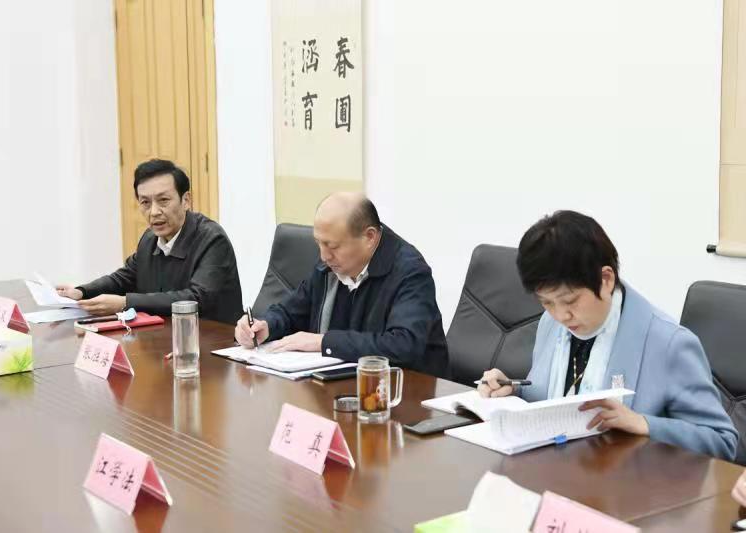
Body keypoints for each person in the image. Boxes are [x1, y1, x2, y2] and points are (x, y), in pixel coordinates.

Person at [479, 210, 737, 461]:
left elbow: (722, 442)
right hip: (556, 471)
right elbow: (555, 401)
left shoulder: (670, 344)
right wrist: (513, 390)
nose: (561, 315)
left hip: (629, 483)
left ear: (606, 279)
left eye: (570, 300)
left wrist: (644, 424)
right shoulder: (551, 323)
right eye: (547, 302)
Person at [234, 192, 449, 378]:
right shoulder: (330, 266)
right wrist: (266, 326)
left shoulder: (409, 272)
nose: (324, 255)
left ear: (369, 237)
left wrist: (324, 343)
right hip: (342, 386)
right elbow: (291, 311)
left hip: (405, 394)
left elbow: (403, 345)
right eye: (318, 243)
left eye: (333, 246)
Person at [57, 159, 242, 324]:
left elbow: (197, 298)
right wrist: (81, 291)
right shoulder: (149, 239)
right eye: (145, 202)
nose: (154, 212)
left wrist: (126, 303)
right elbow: (124, 278)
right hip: (163, 339)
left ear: (186, 200)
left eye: (163, 200)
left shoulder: (212, 239)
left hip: (214, 342)